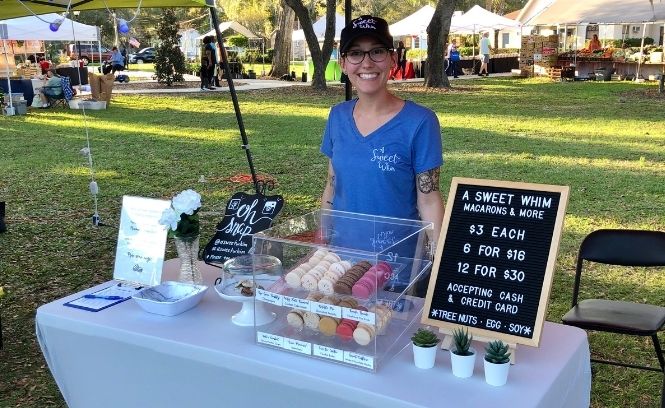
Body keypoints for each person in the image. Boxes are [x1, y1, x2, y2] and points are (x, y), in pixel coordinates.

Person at [321, 15, 444, 296]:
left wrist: (439, 261)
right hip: (341, 263)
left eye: (376, 51)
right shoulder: (337, 116)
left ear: (392, 59)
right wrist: (322, 239)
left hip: (397, 267)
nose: (366, 63)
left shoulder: (420, 122)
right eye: (355, 53)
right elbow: (332, 184)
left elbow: (429, 198)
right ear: (342, 63)